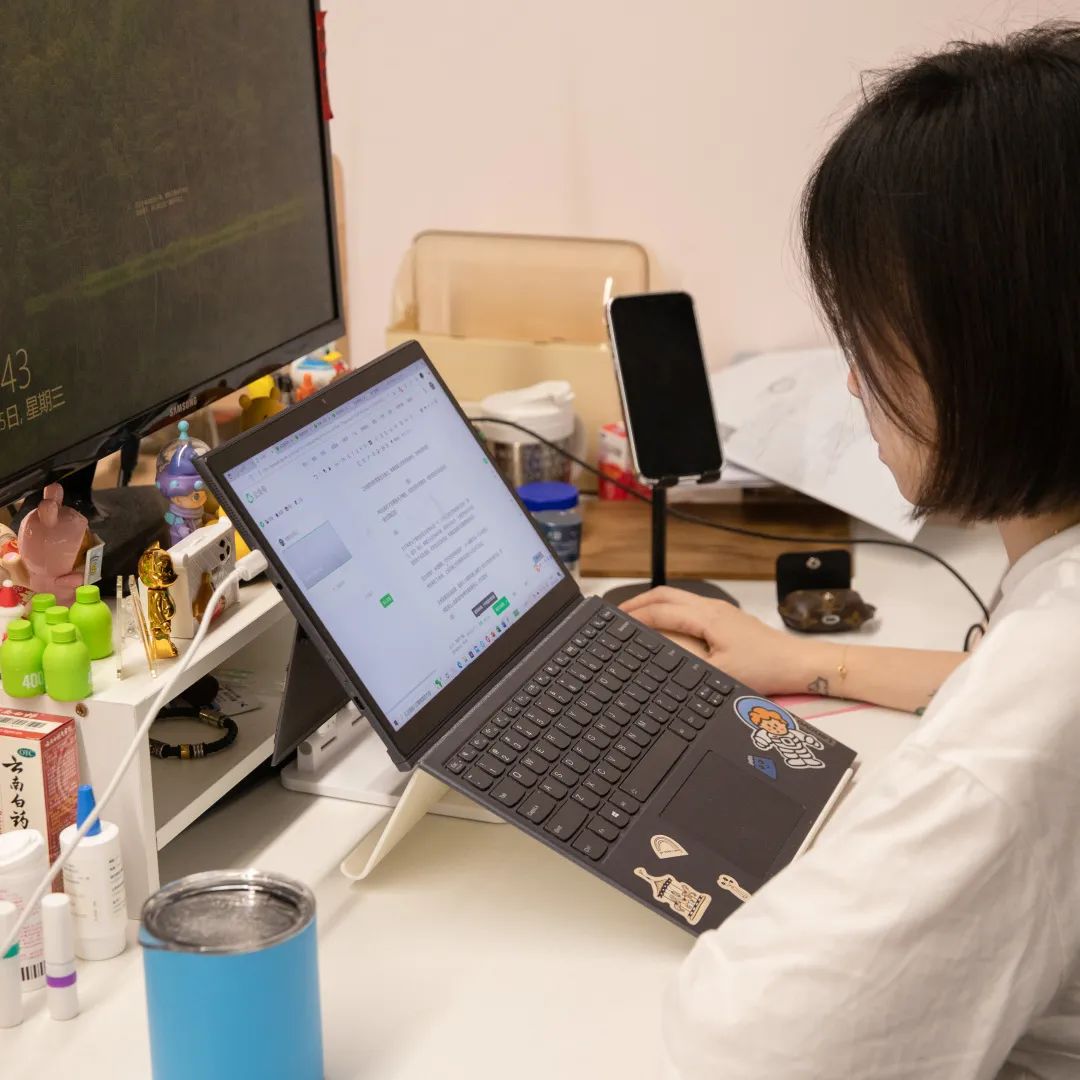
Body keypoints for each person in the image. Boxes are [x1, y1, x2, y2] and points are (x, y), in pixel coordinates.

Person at [626, 24, 1080, 1079]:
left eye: (872, 335)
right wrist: (813, 663)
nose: (850, 380)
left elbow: (752, 1051)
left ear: (996, 346)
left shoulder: (1027, 721)